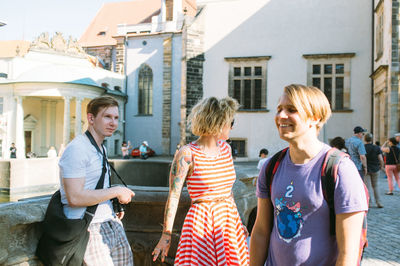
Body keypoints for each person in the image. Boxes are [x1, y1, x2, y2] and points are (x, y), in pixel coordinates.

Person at [250, 84, 368, 266]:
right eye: (279, 109)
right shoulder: (271, 166)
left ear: (315, 117)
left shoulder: (340, 169)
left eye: (292, 110)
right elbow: (261, 231)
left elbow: (348, 253)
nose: (281, 116)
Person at [152, 97, 249, 265]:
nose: (232, 126)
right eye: (230, 121)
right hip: (202, 222)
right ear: (218, 122)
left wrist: (238, 221)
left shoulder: (226, 149)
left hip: (228, 221)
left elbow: (228, 191)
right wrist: (166, 235)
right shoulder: (187, 153)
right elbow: (174, 196)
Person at [58, 96, 135, 265]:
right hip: (88, 228)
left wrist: (111, 204)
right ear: (91, 118)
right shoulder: (77, 149)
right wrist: (116, 191)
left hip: (110, 222)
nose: (113, 123)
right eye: (107, 117)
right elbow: (75, 198)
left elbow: (94, 186)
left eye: (116, 118)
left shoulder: (101, 147)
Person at [364, 133, 384, 208]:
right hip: (375, 169)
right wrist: (381, 167)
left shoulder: (363, 147)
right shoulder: (376, 148)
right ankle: (379, 202)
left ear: (365, 139)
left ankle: (369, 203)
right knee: (375, 186)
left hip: (366, 169)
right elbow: (381, 159)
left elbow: (362, 158)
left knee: (367, 186)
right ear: (372, 139)